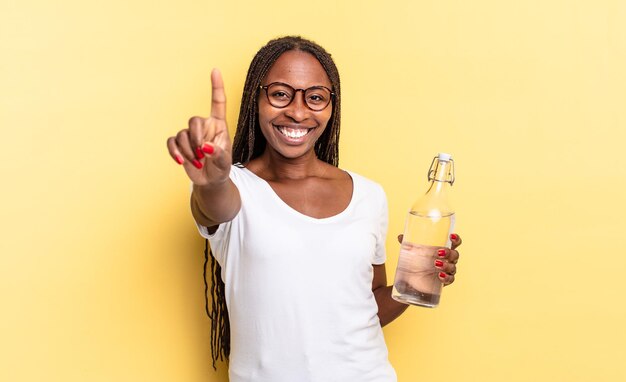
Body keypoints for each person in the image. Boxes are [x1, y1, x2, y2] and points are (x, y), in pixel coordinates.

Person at [166, 36, 462, 382]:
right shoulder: (235, 188)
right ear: (255, 100)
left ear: (331, 107)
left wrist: (419, 280)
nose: (298, 111)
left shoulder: (369, 195)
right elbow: (215, 206)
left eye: (316, 97)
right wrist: (213, 180)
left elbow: (366, 307)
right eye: (280, 94)